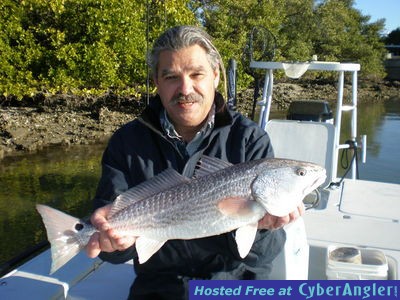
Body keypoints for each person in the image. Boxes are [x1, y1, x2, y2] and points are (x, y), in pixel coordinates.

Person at [86, 25, 303, 299]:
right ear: (156, 82)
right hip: (158, 289)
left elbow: (261, 256)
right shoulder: (126, 143)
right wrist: (116, 245)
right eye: (171, 77)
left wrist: (264, 228)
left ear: (214, 76)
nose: (185, 88)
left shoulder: (249, 139)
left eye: (196, 74)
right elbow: (111, 250)